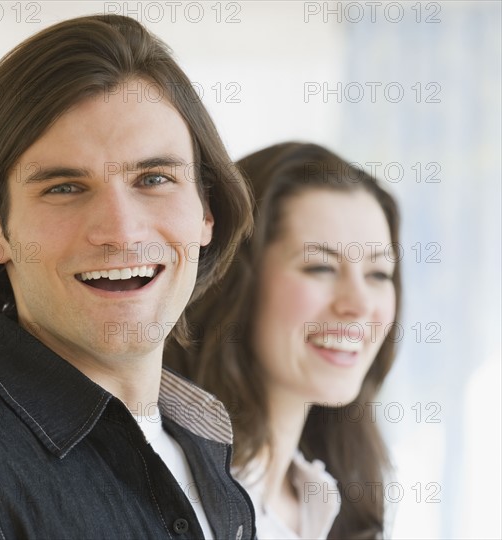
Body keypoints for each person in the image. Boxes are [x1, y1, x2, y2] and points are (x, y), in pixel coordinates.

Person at [0, 14, 256, 539]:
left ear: (206, 211)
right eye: (65, 188)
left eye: (154, 178)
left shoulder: (204, 445)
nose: (120, 231)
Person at [165, 142, 402, 539]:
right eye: (320, 267)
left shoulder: (332, 498)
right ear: (234, 281)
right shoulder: (171, 488)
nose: (360, 304)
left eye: (378, 274)